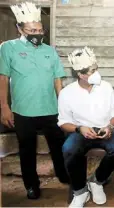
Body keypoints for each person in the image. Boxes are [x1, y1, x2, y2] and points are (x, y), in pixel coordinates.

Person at [0, 2, 69, 199]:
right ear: (19, 29)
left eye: (39, 30)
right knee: (27, 149)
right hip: (23, 110)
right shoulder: (8, 48)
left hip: (50, 109)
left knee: (58, 145)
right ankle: (32, 185)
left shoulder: (50, 50)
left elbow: (58, 79)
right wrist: (4, 107)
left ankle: (64, 176)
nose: (37, 33)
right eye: (31, 30)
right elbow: (3, 78)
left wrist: (63, 107)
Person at [58, 47, 114, 207]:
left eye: (97, 69)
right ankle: (80, 191)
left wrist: (110, 126)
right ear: (81, 74)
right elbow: (63, 122)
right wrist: (79, 128)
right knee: (69, 149)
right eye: (92, 71)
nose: (97, 73)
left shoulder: (106, 87)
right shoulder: (66, 93)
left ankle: (97, 181)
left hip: (106, 129)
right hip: (81, 131)